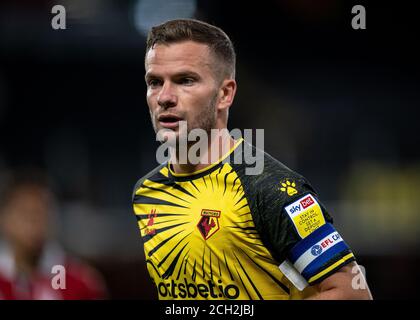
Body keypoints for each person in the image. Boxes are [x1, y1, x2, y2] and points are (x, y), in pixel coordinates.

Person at [132, 19, 372, 300]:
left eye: (185, 80)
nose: (165, 97)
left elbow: (352, 293)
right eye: (155, 82)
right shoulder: (147, 193)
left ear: (225, 94)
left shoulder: (269, 188)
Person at [0, 169, 107, 299]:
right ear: (4, 219)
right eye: (25, 213)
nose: (34, 222)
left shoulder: (81, 282)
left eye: (41, 212)